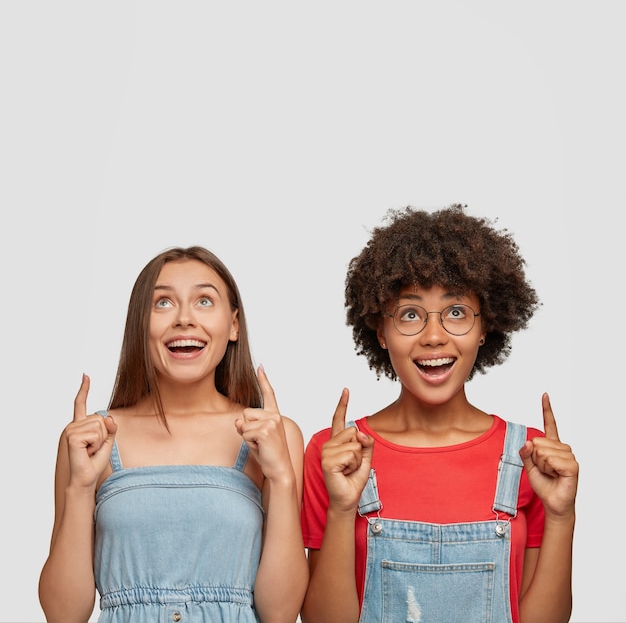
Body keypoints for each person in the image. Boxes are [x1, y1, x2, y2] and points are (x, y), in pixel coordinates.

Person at [300, 205, 578, 623]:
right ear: (380, 329)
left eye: (456, 313)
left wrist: (561, 516)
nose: (434, 336)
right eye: (410, 314)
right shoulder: (335, 453)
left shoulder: (530, 458)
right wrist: (343, 509)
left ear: (486, 327)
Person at [39, 246, 308, 623]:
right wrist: (81, 488)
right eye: (162, 303)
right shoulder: (93, 439)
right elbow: (62, 614)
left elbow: (278, 614)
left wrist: (281, 479)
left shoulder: (275, 436)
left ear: (233, 325)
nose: (184, 318)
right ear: (140, 324)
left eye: (203, 301)